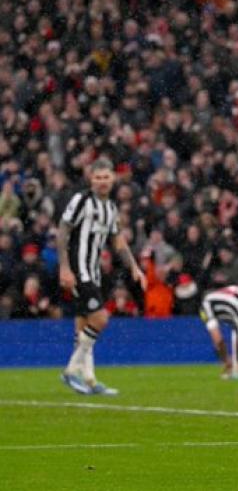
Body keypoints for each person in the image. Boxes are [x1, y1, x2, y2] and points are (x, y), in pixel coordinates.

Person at [58, 159, 147, 395]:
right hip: (79, 271)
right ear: (91, 179)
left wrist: (135, 267)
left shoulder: (111, 208)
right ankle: (70, 371)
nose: (102, 182)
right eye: (97, 178)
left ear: (113, 179)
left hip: (94, 272)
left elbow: (118, 241)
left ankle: (89, 380)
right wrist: (64, 268)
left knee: (83, 326)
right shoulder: (81, 201)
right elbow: (62, 230)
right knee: (100, 319)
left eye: (106, 177)